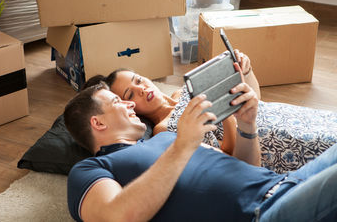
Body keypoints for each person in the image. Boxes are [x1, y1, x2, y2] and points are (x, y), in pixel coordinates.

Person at [64, 80, 337, 222]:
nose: (131, 105)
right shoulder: (90, 170)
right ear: (97, 122)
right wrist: (183, 144)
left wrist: (246, 124)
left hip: (287, 183)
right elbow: (116, 218)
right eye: (117, 102)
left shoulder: (167, 139)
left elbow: (245, 168)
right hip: (264, 213)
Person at [83, 50, 259, 156]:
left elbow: (257, 102)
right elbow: (227, 155)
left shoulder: (182, 91)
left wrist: (245, 71)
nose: (141, 89)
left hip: (277, 114)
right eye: (130, 95)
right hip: (262, 144)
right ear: (129, 107)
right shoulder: (165, 129)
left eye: (138, 81)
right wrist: (225, 107)